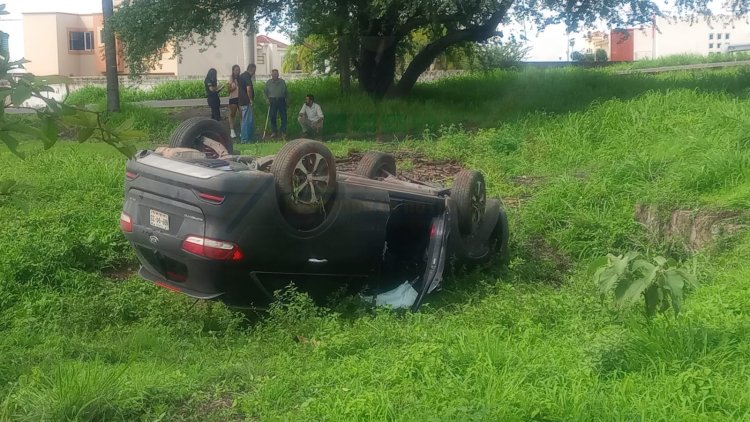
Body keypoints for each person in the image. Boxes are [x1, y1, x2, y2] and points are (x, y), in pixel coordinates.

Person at [263, 69, 288, 139]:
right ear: (271, 75)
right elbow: (265, 92)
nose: (275, 75)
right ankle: (274, 132)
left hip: (281, 100)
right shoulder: (268, 82)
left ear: (278, 74)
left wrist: (287, 99)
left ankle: (283, 132)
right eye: (273, 74)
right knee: (272, 116)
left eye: (276, 74)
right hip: (272, 100)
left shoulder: (282, 82)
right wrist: (266, 99)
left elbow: (286, 92)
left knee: (283, 116)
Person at [237, 63, 256, 143]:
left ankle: (248, 137)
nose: (254, 73)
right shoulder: (247, 76)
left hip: (241, 100)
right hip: (246, 101)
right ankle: (245, 139)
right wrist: (250, 99)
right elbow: (249, 89)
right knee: (246, 120)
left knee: (247, 119)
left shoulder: (241, 76)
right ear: (252, 69)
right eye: (254, 71)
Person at [227, 64, 241, 138]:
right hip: (233, 98)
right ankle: (232, 131)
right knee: (232, 114)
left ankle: (243, 131)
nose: (237, 71)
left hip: (240, 98)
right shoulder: (230, 79)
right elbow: (229, 90)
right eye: (236, 70)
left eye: (238, 70)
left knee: (241, 114)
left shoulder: (241, 78)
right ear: (233, 71)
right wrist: (235, 87)